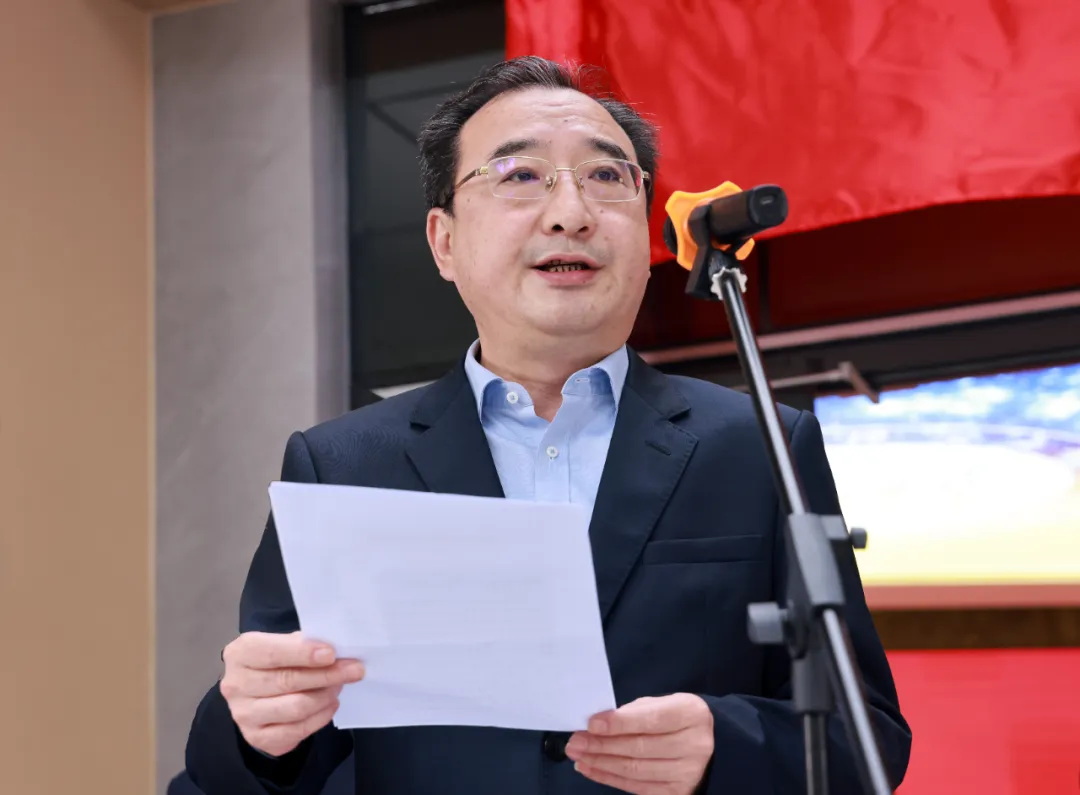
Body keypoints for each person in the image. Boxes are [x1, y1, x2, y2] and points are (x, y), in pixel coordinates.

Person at [184, 56, 911, 795]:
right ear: (444, 242)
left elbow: (868, 740)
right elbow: (249, 764)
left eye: (606, 176)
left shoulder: (760, 444)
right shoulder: (342, 464)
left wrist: (726, 745)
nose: (571, 212)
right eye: (521, 175)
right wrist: (253, 727)